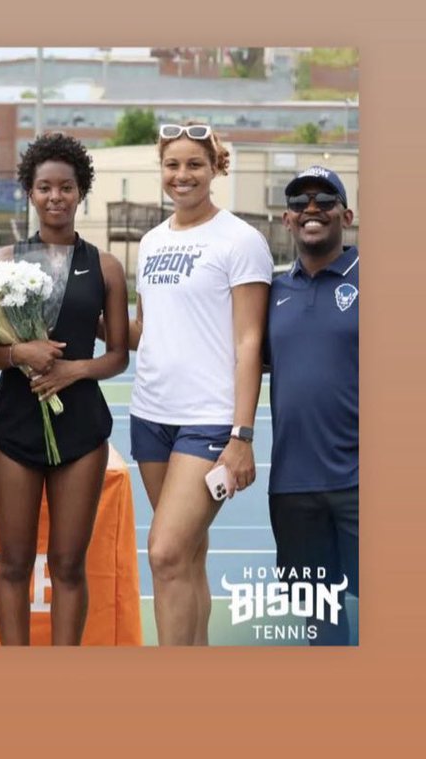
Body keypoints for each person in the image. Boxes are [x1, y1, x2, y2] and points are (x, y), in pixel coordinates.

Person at [0, 133, 129, 645]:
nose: (55, 197)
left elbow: (118, 355)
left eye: (66, 187)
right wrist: (21, 353)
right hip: (13, 426)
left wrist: (72, 370)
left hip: (81, 427)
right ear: (30, 193)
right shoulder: (3, 260)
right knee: (14, 561)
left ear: (80, 192)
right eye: (45, 187)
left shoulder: (105, 266)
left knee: (67, 563)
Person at [128, 122, 272, 645]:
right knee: (188, 557)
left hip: (208, 420)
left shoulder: (240, 240)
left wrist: (242, 435)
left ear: (216, 168)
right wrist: (72, 318)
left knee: (165, 553)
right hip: (150, 417)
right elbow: (144, 330)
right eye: (172, 164)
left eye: (194, 164)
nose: (182, 175)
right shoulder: (151, 242)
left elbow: (249, 343)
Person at [266, 166, 358, 645]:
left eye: (325, 200)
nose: (312, 209)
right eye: (300, 203)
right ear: (287, 219)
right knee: (320, 621)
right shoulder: (272, 293)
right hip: (293, 485)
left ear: (347, 215)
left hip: (361, 482)